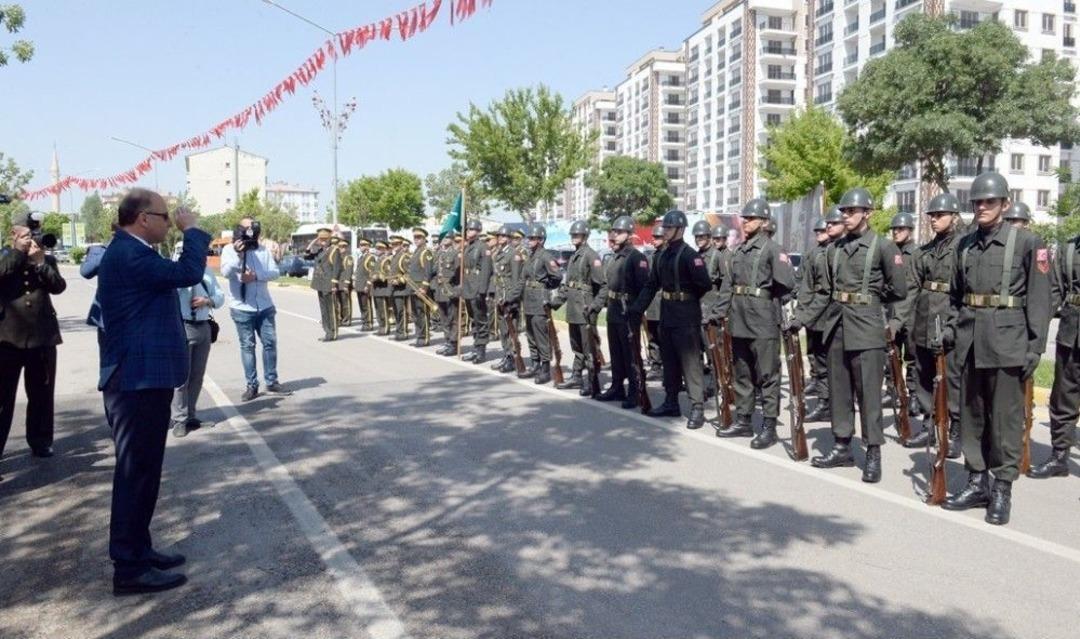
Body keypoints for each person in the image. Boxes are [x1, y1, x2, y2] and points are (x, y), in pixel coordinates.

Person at [97, 188, 209, 595]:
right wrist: (193, 231)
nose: (170, 222)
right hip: (135, 381)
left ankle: (139, 550)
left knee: (143, 472)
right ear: (143, 218)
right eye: (165, 216)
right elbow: (187, 273)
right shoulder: (130, 254)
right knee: (134, 473)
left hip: (144, 379)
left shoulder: (135, 251)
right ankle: (128, 568)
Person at [940, 172, 1050, 525]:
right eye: (977, 202)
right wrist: (951, 331)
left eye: (989, 201)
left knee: (1003, 421)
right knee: (971, 416)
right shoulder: (965, 244)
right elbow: (955, 296)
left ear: (1005, 204)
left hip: (1008, 343)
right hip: (970, 342)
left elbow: (1039, 300)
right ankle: (977, 480)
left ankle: (1002, 489)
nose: (982, 207)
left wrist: (1034, 348)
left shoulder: (1027, 243)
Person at [789, 187, 907, 483]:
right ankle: (842, 445)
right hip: (836, 326)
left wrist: (889, 322)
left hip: (867, 328)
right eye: (844, 211)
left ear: (867, 213)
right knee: (839, 391)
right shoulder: (833, 250)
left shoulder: (883, 248)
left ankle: (872, 453)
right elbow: (823, 294)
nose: (846, 216)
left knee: (869, 394)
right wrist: (800, 320)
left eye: (852, 211)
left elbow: (900, 291)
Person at [715, 200, 796, 448]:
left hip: (763, 319)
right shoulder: (738, 251)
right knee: (742, 372)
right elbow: (728, 287)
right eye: (744, 218)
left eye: (751, 218)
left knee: (768, 374)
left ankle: (769, 426)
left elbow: (787, 284)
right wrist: (717, 313)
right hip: (739, 318)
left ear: (763, 221)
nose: (746, 222)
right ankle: (744, 419)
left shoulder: (773, 249)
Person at [628, 210, 712, 429]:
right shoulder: (662, 255)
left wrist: (687, 300)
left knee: (691, 363)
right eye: (664, 227)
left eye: (668, 227)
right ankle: (671, 401)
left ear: (680, 229)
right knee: (670, 362)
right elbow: (651, 285)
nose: (664, 231)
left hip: (686, 315)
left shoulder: (690, 255)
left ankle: (697, 408)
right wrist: (637, 308)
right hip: (667, 314)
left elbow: (704, 284)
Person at [0, 211, 67, 479]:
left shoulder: (46, 259)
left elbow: (58, 287)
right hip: (7, 338)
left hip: (42, 337)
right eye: (26, 235)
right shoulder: (6, 257)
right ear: (13, 235)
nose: (32, 240)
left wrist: (41, 263)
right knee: (2, 399)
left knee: (41, 393)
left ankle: (41, 441)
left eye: (34, 235)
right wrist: (18, 252)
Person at [901, 193, 963, 456]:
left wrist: (954, 323)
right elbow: (911, 290)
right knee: (924, 374)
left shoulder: (964, 248)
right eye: (932, 216)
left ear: (954, 217)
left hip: (950, 316)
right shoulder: (923, 252)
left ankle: (956, 431)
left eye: (940, 215)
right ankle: (929, 424)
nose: (935, 220)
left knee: (952, 378)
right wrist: (901, 322)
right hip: (924, 319)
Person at [220, 217, 290, 403]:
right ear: (239, 230)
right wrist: (239, 255)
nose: (252, 230)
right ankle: (252, 385)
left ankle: (272, 381)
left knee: (270, 343)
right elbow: (226, 272)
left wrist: (257, 276)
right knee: (248, 346)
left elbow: (275, 272)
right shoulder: (229, 250)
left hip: (265, 306)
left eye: (253, 227)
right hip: (242, 308)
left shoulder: (262, 249)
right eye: (247, 227)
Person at [1034, 218, 1080, 478]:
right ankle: (1059, 457)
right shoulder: (1069, 249)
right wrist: (1037, 329)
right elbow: (1054, 292)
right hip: (1071, 332)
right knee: (1063, 397)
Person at [597, 215, 651, 409]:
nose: (615, 235)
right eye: (614, 231)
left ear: (629, 234)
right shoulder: (614, 257)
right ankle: (617, 387)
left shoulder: (637, 258)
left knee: (631, 354)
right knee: (616, 352)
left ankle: (635, 391)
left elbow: (646, 288)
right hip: (614, 310)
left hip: (628, 312)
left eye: (619, 232)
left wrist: (636, 310)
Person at [551, 220, 608, 396]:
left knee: (588, 346)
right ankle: (576, 376)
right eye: (573, 235)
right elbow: (568, 285)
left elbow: (603, 286)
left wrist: (595, 306)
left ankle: (592, 380)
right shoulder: (575, 256)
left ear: (585, 236)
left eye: (577, 235)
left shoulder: (591, 256)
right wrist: (554, 303)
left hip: (585, 308)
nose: (574, 238)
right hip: (573, 309)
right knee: (576, 345)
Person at [170, 265, 224, 437]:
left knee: (197, 375)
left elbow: (220, 296)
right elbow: (171, 295)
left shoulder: (207, 272)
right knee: (181, 378)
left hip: (204, 326)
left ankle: (191, 415)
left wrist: (207, 301)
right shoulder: (177, 271)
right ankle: (179, 419)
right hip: (184, 325)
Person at [801, 209, 844, 423]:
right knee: (820, 359)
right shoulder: (819, 253)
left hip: (836, 312)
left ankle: (835, 403)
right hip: (819, 311)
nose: (826, 229)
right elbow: (808, 284)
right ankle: (825, 401)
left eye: (832, 224)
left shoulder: (840, 250)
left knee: (834, 362)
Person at [512, 224, 562, 383]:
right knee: (531, 335)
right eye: (529, 238)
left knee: (541, 336)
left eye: (533, 238)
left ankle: (545, 369)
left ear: (541, 240)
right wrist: (512, 298)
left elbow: (557, 276)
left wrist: (545, 287)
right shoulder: (530, 256)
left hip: (540, 300)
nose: (529, 240)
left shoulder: (545, 256)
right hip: (528, 300)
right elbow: (522, 280)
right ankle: (535, 365)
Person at [884, 212, 921, 418]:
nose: (896, 232)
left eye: (901, 229)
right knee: (891, 354)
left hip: (912, 312)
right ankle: (893, 391)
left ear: (910, 230)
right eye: (894, 229)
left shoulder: (916, 253)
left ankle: (914, 395)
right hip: (892, 310)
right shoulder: (890, 252)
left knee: (913, 357)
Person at [490, 225, 524, 373]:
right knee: (503, 330)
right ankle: (506, 356)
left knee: (512, 331)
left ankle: (514, 359)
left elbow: (517, 281)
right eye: (499, 236)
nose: (501, 239)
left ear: (510, 238)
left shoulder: (514, 255)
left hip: (510, 299)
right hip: (500, 297)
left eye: (504, 236)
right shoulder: (498, 254)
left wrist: (511, 300)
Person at [461, 220, 493, 363]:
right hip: (468, 286)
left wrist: (482, 290)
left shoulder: (483, 247)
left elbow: (486, 270)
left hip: (477, 287)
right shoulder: (468, 246)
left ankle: (481, 350)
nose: (468, 231)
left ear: (478, 231)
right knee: (474, 320)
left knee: (481, 320)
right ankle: (475, 347)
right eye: (467, 229)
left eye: (471, 229)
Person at [305, 228, 340, 342]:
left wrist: (334, 284)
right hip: (320, 283)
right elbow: (307, 254)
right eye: (321, 239)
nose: (323, 241)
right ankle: (327, 331)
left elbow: (337, 268)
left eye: (325, 239)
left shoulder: (334, 250)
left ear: (329, 239)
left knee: (331, 310)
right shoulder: (319, 250)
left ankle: (333, 332)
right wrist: (314, 241)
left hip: (329, 283)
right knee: (323, 309)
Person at [433, 233, 462, 355]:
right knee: (444, 318)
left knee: (453, 319)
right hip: (440, 290)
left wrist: (457, 291)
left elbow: (459, 274)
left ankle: (454, 344)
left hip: (450, 290)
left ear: (452, 240)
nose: (445, 240)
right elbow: (434, 271)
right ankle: (447, 341)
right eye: (444, 238)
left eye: (448, 238)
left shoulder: (456, 254)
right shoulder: (439, 254)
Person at [408, 228, 436, 347]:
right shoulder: (416, 252)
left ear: (425, 239)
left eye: (419, 237)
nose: (416, 240)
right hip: (413, 287)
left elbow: (428, 271)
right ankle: (419, 336)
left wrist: (424, 287)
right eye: (415, 237)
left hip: (420, 288)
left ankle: (424, 338)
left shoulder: (426, 252)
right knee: (416, 314)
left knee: (422, 313)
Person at [644, 223, 665, 379]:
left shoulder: (669, 255)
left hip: (665, 303)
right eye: (654, 237)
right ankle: (656, 364)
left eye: (657, 237)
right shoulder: (651, 257)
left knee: (665, 337)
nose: (654, 240)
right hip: (652, 304)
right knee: (653, 336)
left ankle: (668, 366)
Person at [388, 236, 411, 341]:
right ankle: (399, 331)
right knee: (396, 312)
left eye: (396, 244)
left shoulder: (404, 257)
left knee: (401, 311)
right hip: (394, 289)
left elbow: (408, 273)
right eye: (393, 244)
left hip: (401, 289)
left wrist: (399, 280)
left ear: (401, 245)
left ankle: (403, 332)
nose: (394, 246)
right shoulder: (394, 257)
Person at [353, 238, 375, 331]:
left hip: (365, 285)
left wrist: (368, 285)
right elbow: (358, 271)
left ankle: (368, 324)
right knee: (362, 305)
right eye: (360, 245)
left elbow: (372, 272)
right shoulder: (361, 257)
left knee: (366, 305)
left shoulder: (370, 257)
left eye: (363, 245)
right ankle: (364, 322)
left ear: (367, 246)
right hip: (359, 285)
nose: (360, 247)